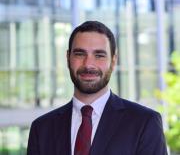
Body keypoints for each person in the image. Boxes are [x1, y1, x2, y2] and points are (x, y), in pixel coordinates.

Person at [27, 21, 168, 155]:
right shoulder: (41, 129)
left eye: (99, 55)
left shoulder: (144, 122)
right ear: (68, 58)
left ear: (113, 61)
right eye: (80, 54)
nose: (88, 64)